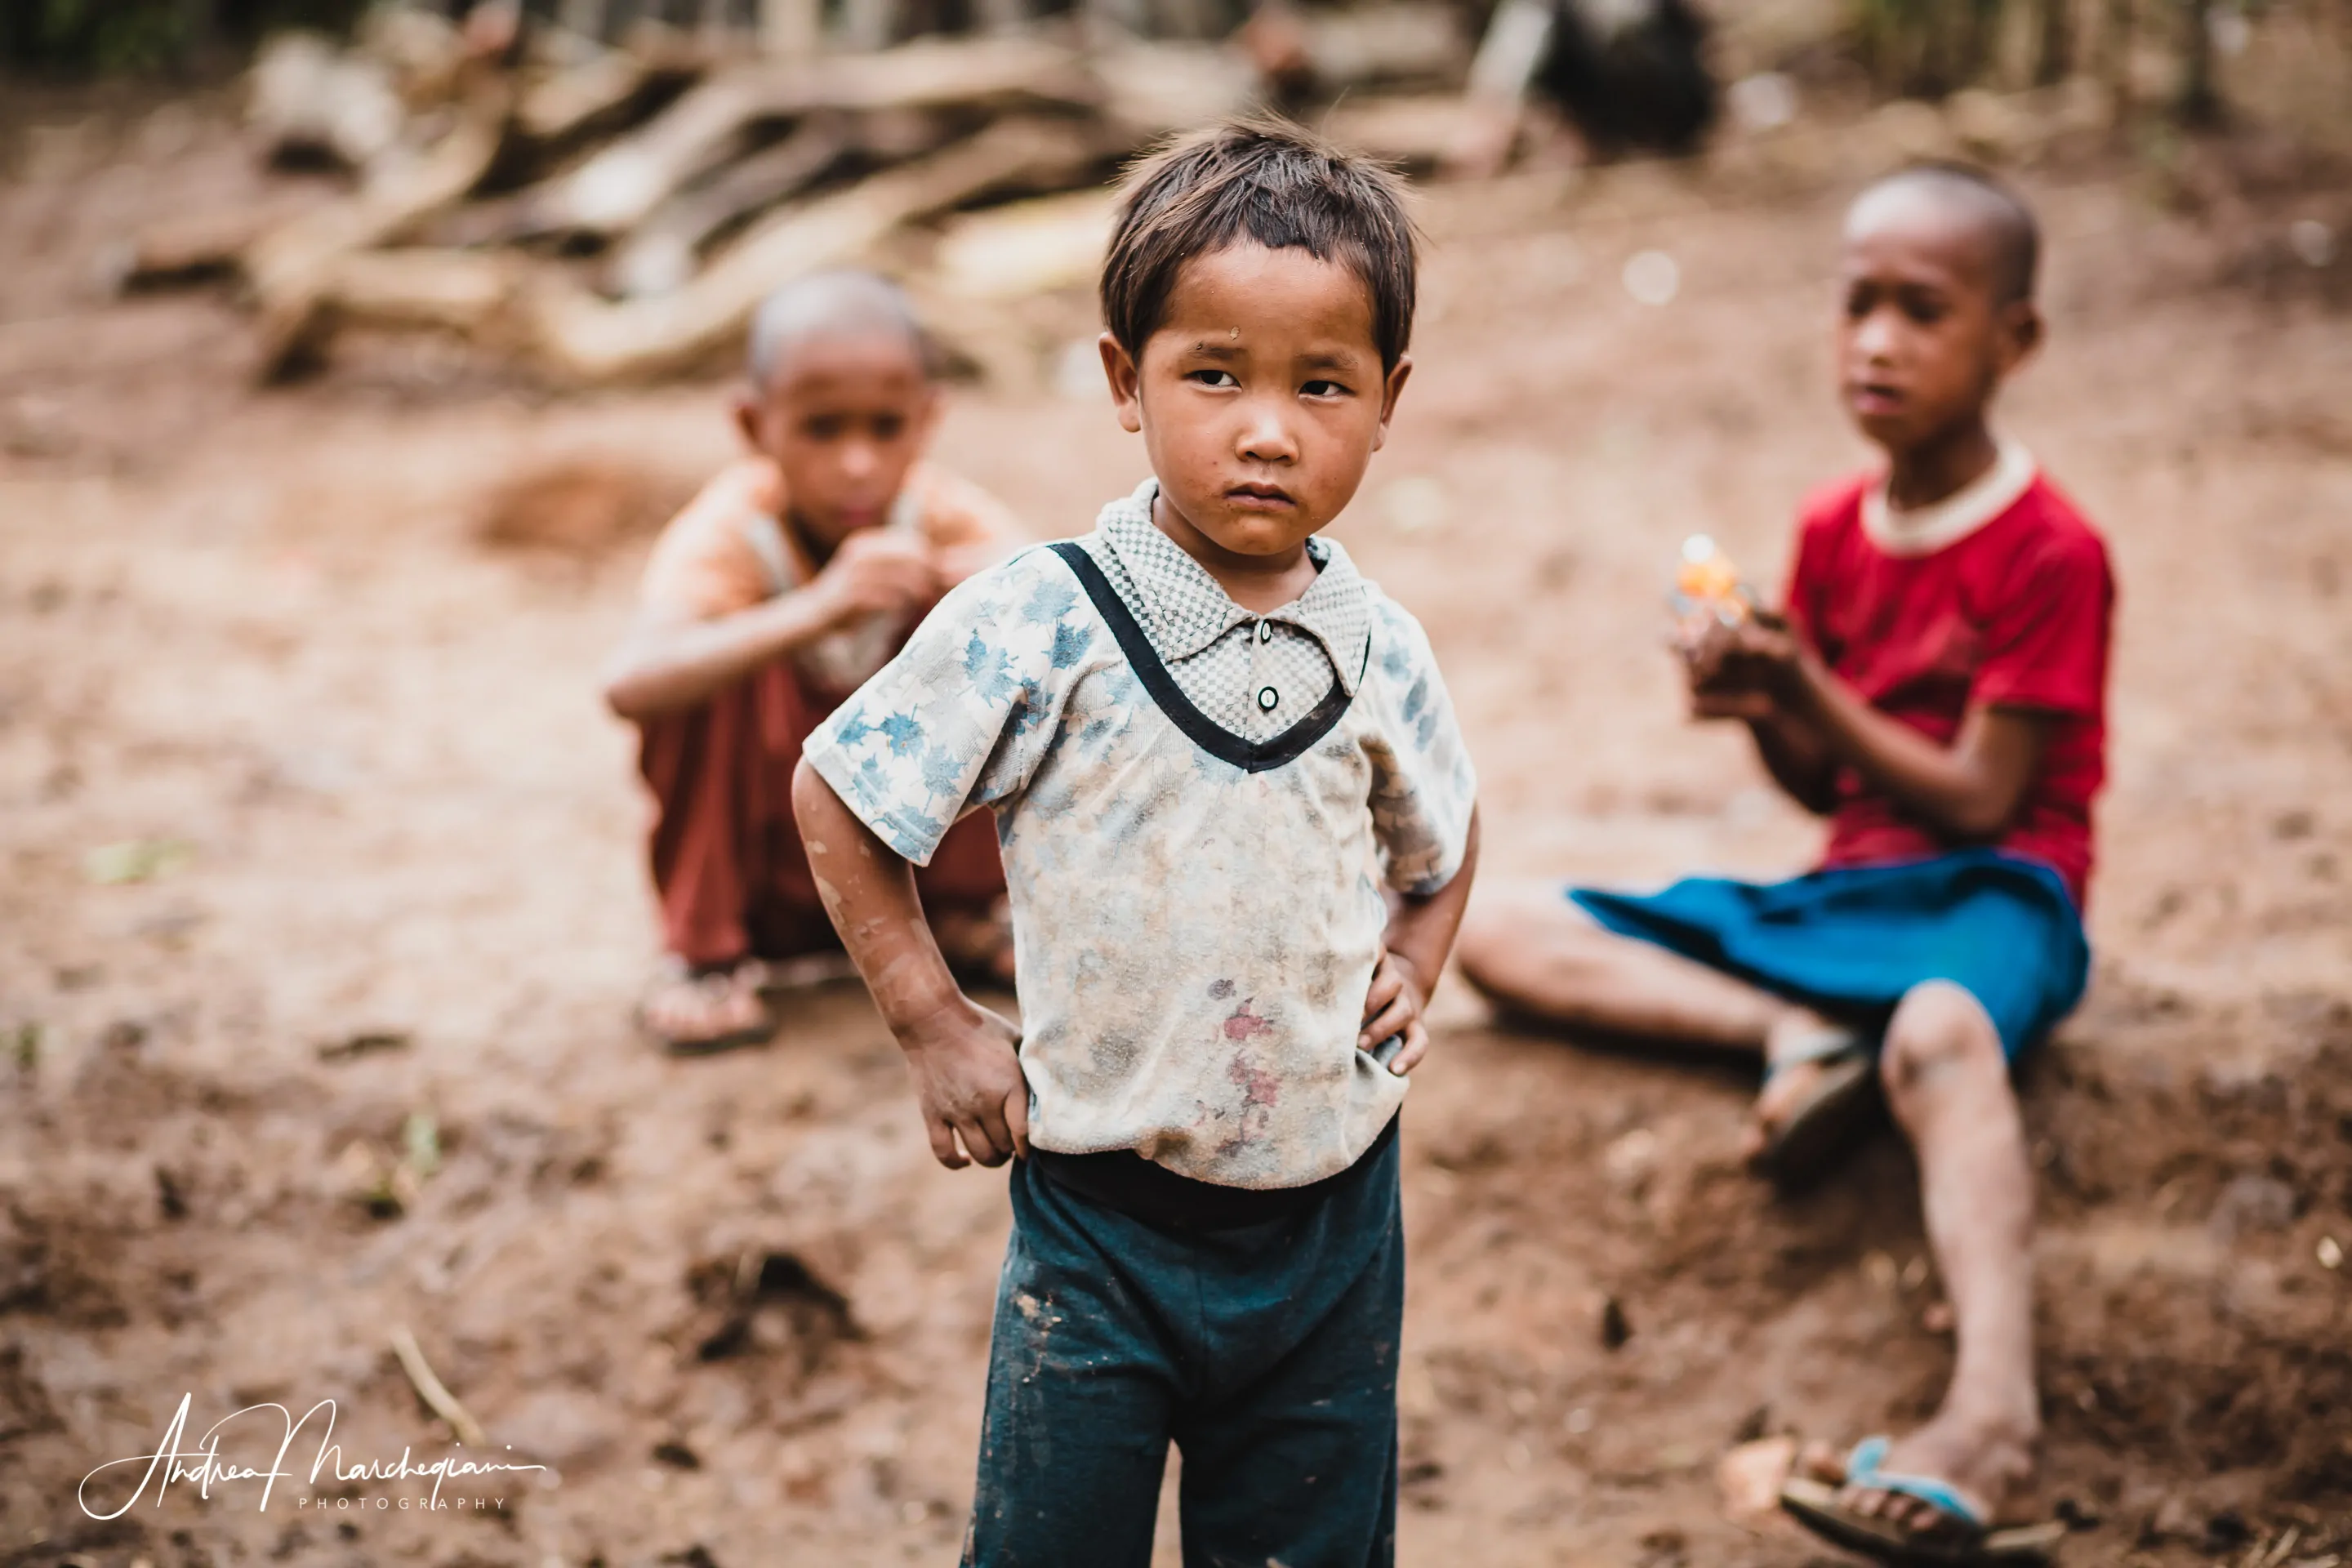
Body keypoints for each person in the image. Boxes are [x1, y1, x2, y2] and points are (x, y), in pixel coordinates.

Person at [791, 120, 1480, 1567]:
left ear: (1388, 402)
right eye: (1214, 374)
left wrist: (1420, 955)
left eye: (1323, 384)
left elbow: (1447, 833)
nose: (1268, 428)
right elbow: (845, 793)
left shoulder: (1384, 651)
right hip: (1100, 1227)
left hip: (1333, 1226)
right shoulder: (1044, 620)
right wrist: (931, 1024)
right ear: (1126, 379)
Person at [1456, 164, 2108, 1566]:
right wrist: (1764, 703)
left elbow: (1984, 798)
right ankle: (1801, 1029)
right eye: (1857, 305)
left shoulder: (2052, 550)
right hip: (1847, 901)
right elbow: (1831, 786)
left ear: (2016, 340)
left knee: (1939, 1029)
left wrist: (1801, 679)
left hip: (2003, 894)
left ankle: (1991, 1414)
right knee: (1490, 925)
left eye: (1922, 312)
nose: (1877, 341)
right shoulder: (1829, 528)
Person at [602, 270, 1022, 1054]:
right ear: (754, 424)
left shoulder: (942, 514)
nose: (858, 464)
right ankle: (702, 956)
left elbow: (1078, 619)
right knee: (712, 663)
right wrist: (818, 607)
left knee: (997, 634)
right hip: (767, 887)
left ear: (928, 420)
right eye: (823, 430)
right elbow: (630, 684)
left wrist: (976, 589)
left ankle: (965, 914)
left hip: (918, 876)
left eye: (885, 427)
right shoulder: (733, 529)